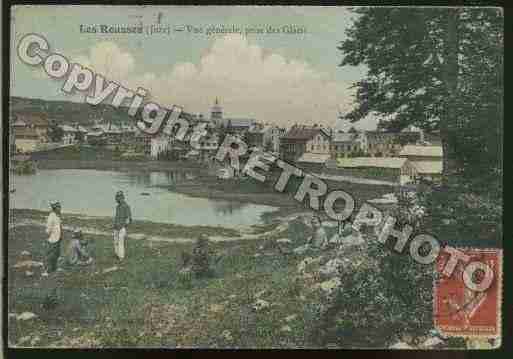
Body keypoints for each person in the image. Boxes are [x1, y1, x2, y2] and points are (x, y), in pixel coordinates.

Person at [42, 200, 63, 276]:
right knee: (49, 255)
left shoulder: (58, 215)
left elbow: (59, 227)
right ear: (55, 207)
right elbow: (48, 229)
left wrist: (61, 236)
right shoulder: (51, 216)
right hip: (52, 239)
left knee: (56, 254)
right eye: (58, 206)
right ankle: (45, 270)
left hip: (58, 238)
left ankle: (54, 267)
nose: (60, 208)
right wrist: (47, 237)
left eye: (59, 206)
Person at [113, 190, 132, 261]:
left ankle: (121, 257)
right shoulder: (117, 207)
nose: (116, 199)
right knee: (116, 242)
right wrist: (115, 224)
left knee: (120, 242)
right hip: (116, 227)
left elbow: (129, 219)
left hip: (121, 228)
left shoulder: (126, 206)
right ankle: (117, 254)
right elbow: (116, 217)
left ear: (122, 198)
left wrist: (123, 226)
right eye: (116, 197)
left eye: (118, 197)